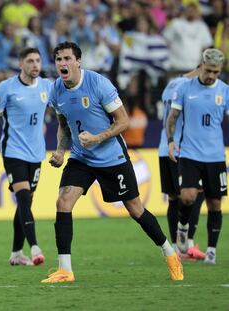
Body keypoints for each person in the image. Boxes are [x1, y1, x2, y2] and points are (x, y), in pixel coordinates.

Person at [41, 41, 183, 283]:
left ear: (78, 62)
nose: (62, 63)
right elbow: (64, 126)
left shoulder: (98, 84)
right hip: (81, 156)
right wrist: (60, 151)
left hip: (111, 157)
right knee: (63, 202)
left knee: (135, 209)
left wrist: (97, 138)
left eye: (67, 59)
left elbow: (123, 121)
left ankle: (170, 254)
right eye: (58, 59)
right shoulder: (56, 90)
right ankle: (65, 270)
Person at [0, 47, 52, 266]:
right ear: (21, 64)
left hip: (36, 153)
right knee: (24, 198)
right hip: (13, 151)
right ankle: (34, 247)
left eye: (38, 60)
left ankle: (16, 253)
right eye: (30, 61)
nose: (35, 64)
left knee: (25, 202)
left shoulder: (47, 86)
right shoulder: (6, 88)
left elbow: (61, 111)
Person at [166, 48, 228, 265]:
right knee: (187, 197)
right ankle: (182, 228)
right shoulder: (185, 88)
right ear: (201, 65)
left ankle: (211, 250)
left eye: (216, 72)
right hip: (190, 153)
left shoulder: (225, 91)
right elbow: (172, 117)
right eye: (209, 70)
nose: (212, 75)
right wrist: (171, 141)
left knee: (214, 204)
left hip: (216, 156)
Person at [158, 68, 206, 260]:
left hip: (164, 146)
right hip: (182, 148)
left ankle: (178, 248)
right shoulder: (189, 88)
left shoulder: (170, 85)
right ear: (202, 67)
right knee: (195, 194)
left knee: (173, 198)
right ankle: (188, 244)